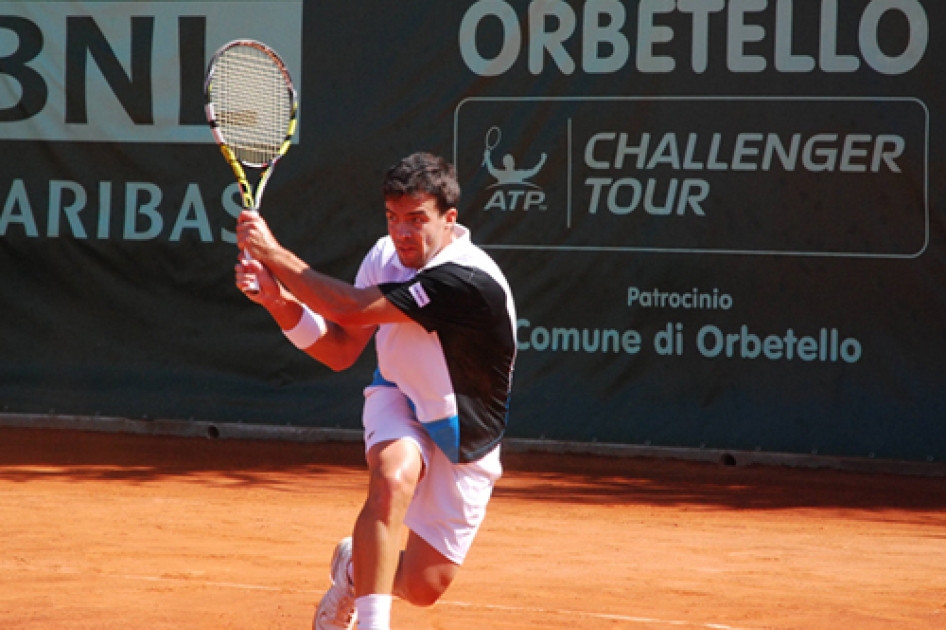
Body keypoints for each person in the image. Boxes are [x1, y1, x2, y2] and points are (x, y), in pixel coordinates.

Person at [234, 152, 517, 630]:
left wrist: (273, 254)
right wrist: (276, 300)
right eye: (392, 218)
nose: (402, 233)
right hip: (399, 394)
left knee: (427, 586)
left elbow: (349, 308)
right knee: (392, 474)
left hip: (461, 432)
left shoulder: (465, 279)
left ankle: (352, 568)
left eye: (416, 220)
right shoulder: (385, 255)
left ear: (449, 220)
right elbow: (342, 350)